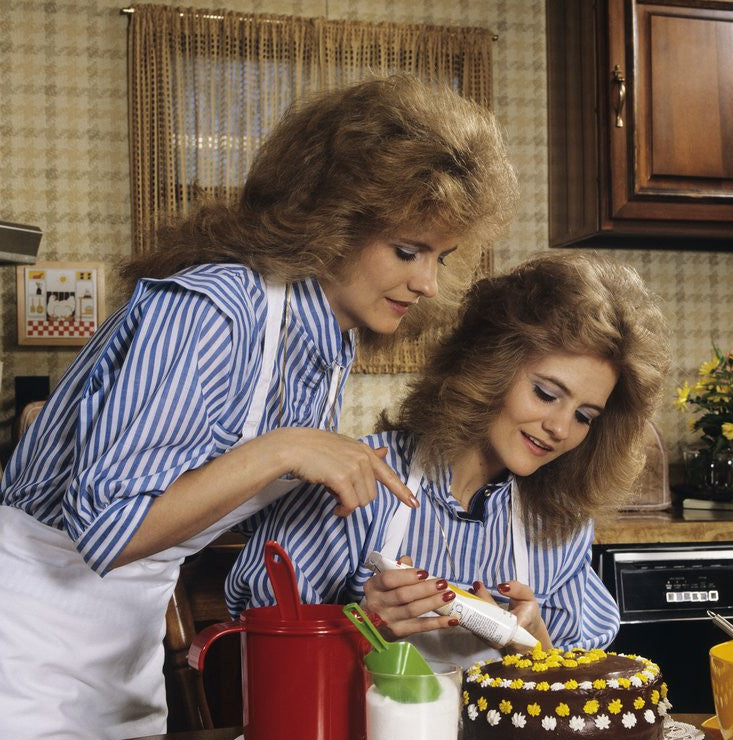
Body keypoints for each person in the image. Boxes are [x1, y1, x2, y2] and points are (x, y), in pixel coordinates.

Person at [0, 75, 517, 740]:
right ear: (331, 218)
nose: (428, 282)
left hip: (126, 643)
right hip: (21, 642)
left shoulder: (324, 345)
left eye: (442, 257)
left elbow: (232, 513)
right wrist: (284, 449)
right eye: (408, 250)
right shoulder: (216, 308)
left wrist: (409, 588)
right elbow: (108, 531)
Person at [226, 251, 670, 665]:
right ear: (490, 367)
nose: (560, 428)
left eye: (585, 416)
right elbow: (264, 650)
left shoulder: (557, 522)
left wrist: (535, 645)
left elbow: (576, 693)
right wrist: (361, 628)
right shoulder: (365, 481)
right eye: (546, 394)